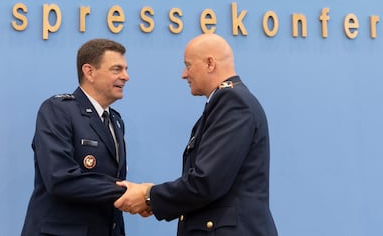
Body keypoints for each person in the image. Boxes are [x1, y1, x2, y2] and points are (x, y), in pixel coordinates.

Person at [114, 33, 278, 235]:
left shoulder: (233, 102)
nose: (184, 74)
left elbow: (206, 182)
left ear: (210, 63)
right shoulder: (224, 102)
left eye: (188, 65)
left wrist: (149, 196)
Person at [21, 38, 130, 236]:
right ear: (89, 71)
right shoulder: (58, 111)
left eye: (125, 69)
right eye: (117, 69)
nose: (126, 76)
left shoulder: (116, 121)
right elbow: (60, 178)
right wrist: (128, 193)